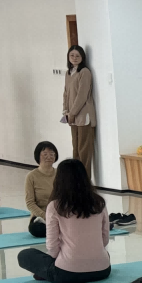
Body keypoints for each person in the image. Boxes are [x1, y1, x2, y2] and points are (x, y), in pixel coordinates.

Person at [16, 158, 110, 283]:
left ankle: (47, 273)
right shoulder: (99, 202)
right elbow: (105, 238)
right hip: (102, 270)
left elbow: (52, 246)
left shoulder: (55, 206)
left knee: (25, 255)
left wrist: (55, 261)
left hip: (68, 273)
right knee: (102, 254)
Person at [62, 45, 96, 181]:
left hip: (84, 117)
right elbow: (66, 94)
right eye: (72, 55)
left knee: (84, 151)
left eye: (77, 56)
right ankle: (76, 181)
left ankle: (85, 182)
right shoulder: (68, 73)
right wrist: (66, 111)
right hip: (72, 117)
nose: (74, 58)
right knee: (75, 149)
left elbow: (82, 96)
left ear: (82, 57)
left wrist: (72, 113)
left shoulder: (84, 72)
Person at [25, 140, 59, 237]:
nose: (49, 157)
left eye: (52, 154)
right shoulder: (31, 176)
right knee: (38, 229)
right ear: (38, 156)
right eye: (45, 154)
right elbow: (30, 203)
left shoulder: (60, 173)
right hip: (41, 216)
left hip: (59, 214)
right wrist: (45, 216)